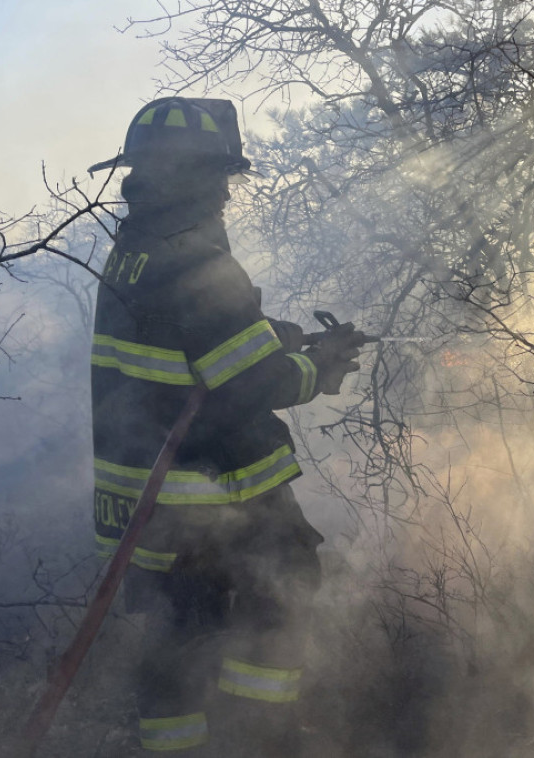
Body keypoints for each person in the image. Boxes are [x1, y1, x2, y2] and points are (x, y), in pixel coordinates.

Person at [88, 97, 363, 755]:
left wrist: (272, 334)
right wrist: (317, 366)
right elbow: (248, 384)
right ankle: (263, 737)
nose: (223, 195)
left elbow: (194, 345)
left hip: (144, 503)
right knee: (285, 592)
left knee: (178, 640)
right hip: (208, 496)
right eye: (218, 179)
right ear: (195, 177)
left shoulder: (136, 249)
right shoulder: (193, 259)